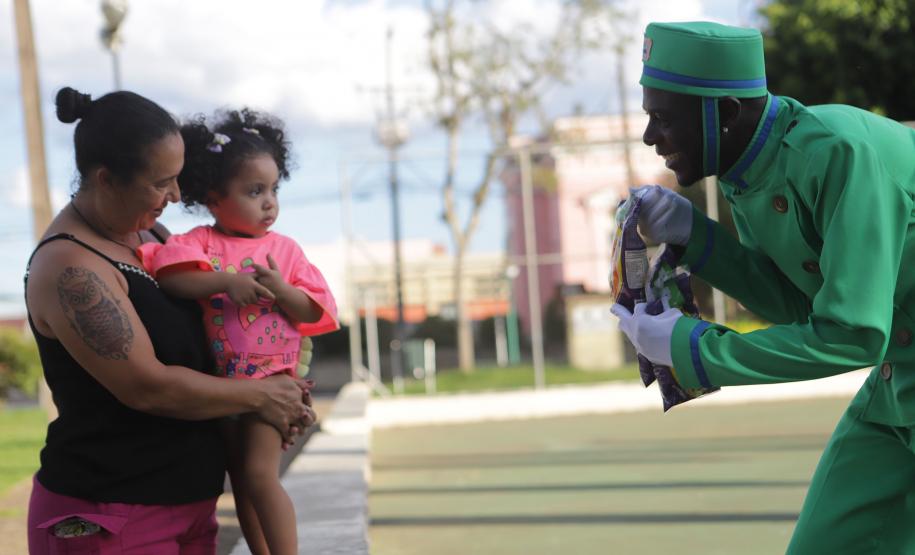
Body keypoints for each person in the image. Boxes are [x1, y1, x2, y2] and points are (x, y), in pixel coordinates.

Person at [611, 21, 915, 553]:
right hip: (899, 392)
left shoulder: (837, 152)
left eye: (664, 118)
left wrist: (697, 351)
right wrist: (696, 235)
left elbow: (853, 334)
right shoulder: (753, 167)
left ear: (726, 113)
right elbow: (801, 306)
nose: (650, 136)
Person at [26, 87, 315, 555]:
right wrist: (263, 395)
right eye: (161, 183)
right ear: (106, 179)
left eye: (178, 179)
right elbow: (149, 388)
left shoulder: (152, 235)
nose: (177, 196)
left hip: (191, 510)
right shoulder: (70, 268)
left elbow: (215, 344)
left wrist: (276, 401)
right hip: (109, 517)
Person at [137, 108, 339, 555]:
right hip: (224, 386)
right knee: (242, 481)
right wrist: (225, 281)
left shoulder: (285, 251)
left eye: (274, 189)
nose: (270, 202)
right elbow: (171, 277)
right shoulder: (199, 243)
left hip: (274, 381)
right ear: (213, 198)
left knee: (261, 474)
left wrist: (283, 290)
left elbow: (315, 309)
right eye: (254, 191)